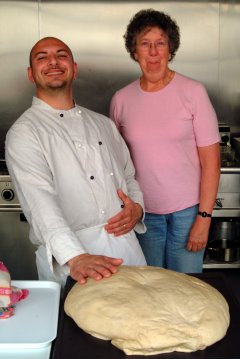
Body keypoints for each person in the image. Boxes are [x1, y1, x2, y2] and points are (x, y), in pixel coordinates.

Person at [5, 37, 147, 288]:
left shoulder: (103, 124)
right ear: (30, 73)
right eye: (42, 57)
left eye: (61, 55)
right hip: (74, 260)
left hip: (127, 248)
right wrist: (75, 256)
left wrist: (137, 209)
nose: (53, 61)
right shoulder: (25, 132)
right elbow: (41, 203)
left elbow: (129, 175)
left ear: (74, 67)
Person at [110, 9, 221, 273]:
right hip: (144, 213)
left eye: (160, 44)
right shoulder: (121, 100)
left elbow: (211, 164)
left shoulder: (193, 92)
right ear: (134, 51)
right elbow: (114, 162)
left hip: (188, 212)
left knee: (186, 286)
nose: (153, 52)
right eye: (145, 44)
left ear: (170, 50)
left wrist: (203, 220)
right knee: (150, 288)